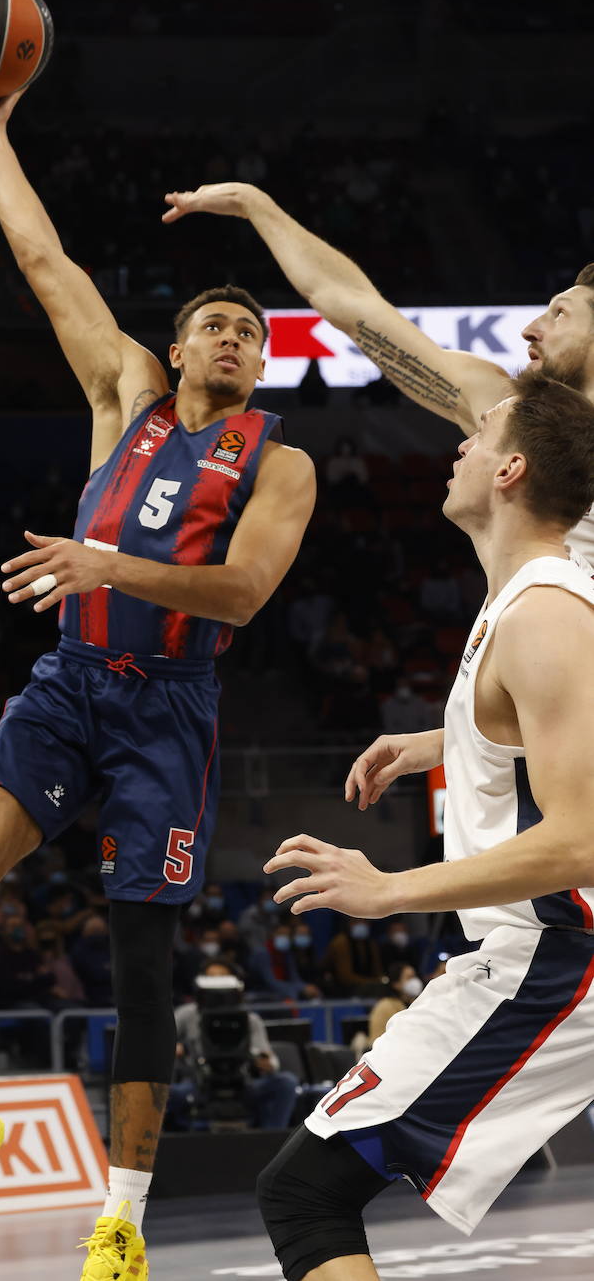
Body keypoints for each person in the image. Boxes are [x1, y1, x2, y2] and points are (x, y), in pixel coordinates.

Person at [0, 66, 316, 1280]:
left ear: (259, 367)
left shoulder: (277, 464)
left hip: (170, 710)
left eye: (250, 334)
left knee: (143, 963)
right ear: (177, 346)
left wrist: (106, 562)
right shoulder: (124, 392)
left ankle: (121, 1220)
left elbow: (240, 594)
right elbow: (44, 262)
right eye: (215, 326)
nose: (233, 340)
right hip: (74, 677)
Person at [255, 373, 594, 1280]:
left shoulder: (545, 612)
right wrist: (449, 738)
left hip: (558, 954)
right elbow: (551, 724)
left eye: (480, 434)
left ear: (512, 470)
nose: (461, 446)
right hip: (541, 948)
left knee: (305, 1193)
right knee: (304, 1191)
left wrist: (389, 890)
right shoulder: (528, 600)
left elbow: (583, 840)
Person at [161, 182, 594, 564]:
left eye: (559, 314)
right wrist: (254, 204)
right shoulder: (508, 410)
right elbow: (349, 302)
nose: (529, 329)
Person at [167, 959, 298, 1131]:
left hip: (242, 1084)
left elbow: (270, 1060)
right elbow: (162, 1043)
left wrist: (267, 1063)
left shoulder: (250, 1020)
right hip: (198, 1084)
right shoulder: (186, 1014)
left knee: (286, 1082)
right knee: (162, 1092)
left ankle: (273, 1139)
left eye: (222, 977)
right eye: (211, 977)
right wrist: (173, 1048)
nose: (217, 983)